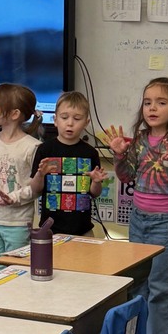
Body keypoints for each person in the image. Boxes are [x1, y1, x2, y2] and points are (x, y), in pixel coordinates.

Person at [105, 77, 168, 334]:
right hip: (138, 219)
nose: (152, 108)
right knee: (138, 282)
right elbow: (126, 177)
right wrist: (120, 154)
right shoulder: (141, 139)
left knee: (160, 285)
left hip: (165, 223)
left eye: (161, 102)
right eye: (147, 102)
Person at [0, 83, 41, 273]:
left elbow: (34, 188)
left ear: (14, 114)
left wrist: (13, 198)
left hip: (18, 222)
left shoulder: (32, 146)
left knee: (16, 270)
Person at [30, 90, 107, 235]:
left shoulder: (90, 153)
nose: (70, 123)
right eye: (64, 117)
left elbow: (95, 193)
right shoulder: (45, 149)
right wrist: (40, 174)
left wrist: (96, 182)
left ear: (86, 122)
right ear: (55, 120)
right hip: (50, 229)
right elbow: (35, 189)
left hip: (83, 229)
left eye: (77, 119)